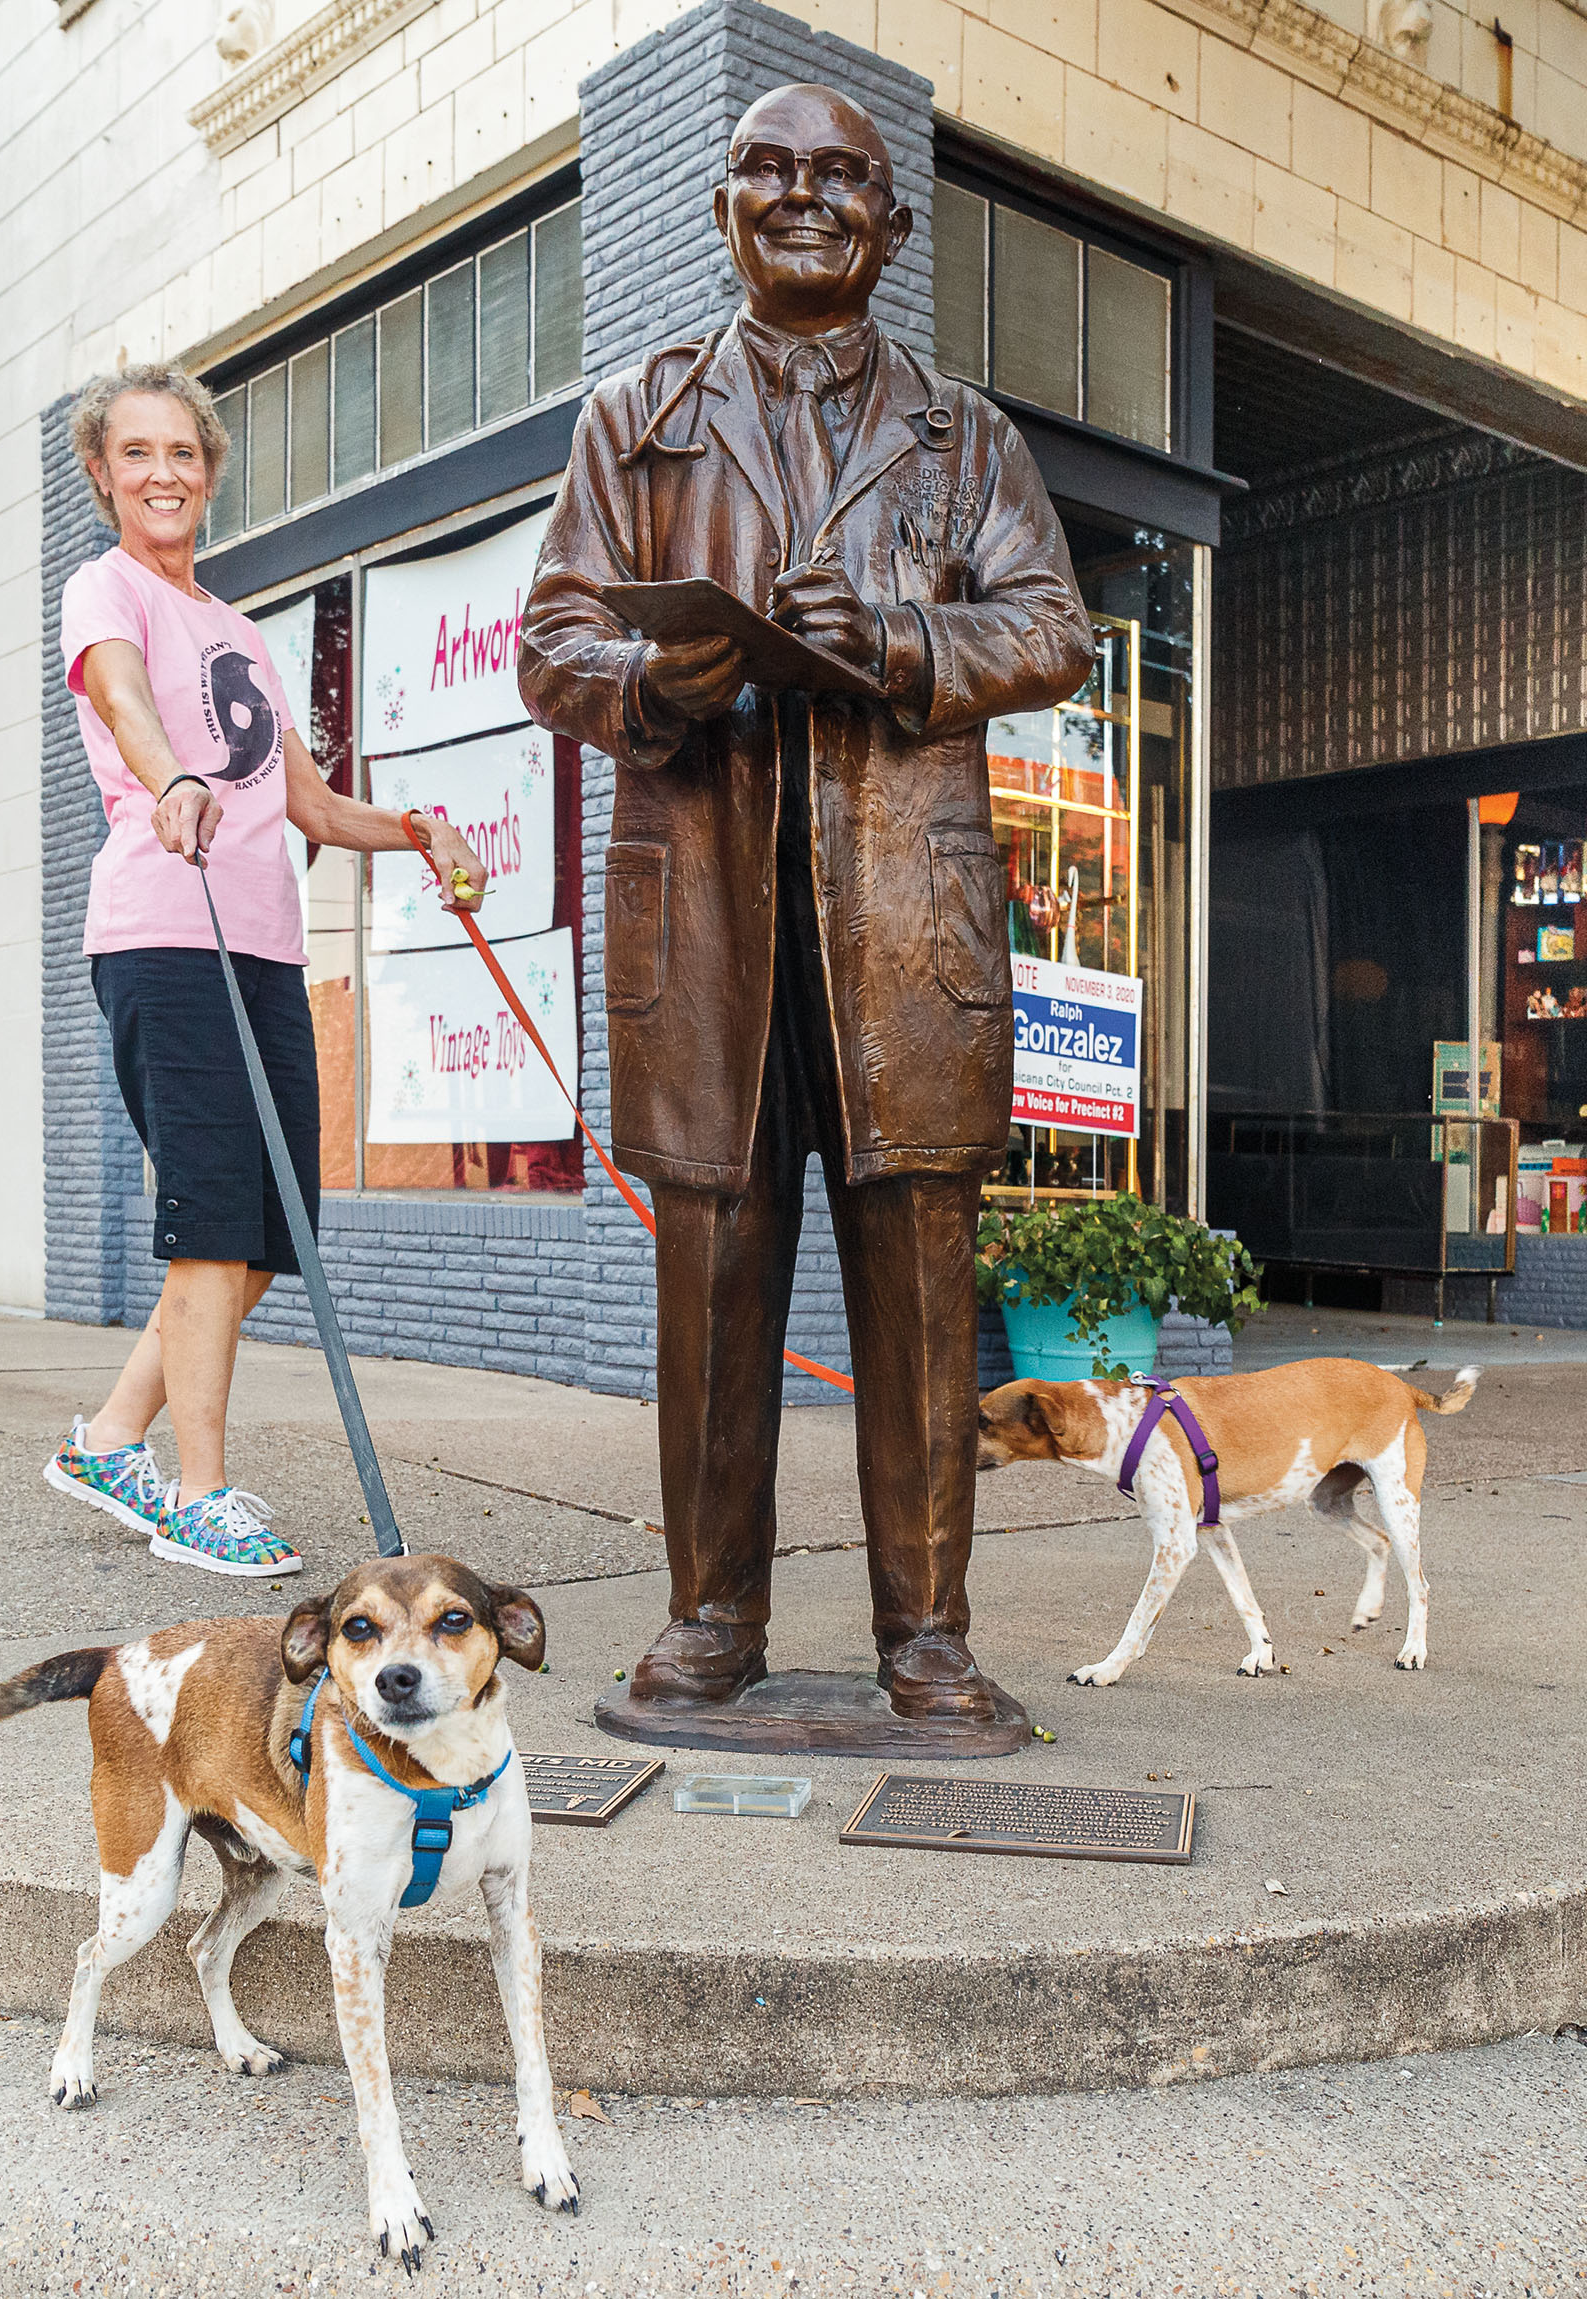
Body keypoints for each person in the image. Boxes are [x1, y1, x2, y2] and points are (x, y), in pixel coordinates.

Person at [518, 85, 1094, 1721]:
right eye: (767, 170)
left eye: (840, 176)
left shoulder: (964, 433)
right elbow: (549, 639)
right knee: (710, 1285)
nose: (801, 196)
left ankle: (928, 1632)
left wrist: (904, 637)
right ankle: (712, 1616)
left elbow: (1052, 629)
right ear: (720, 205)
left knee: (918, 1284)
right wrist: (656, 674)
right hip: (706, 922)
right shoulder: (634, 416)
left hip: (902, 926)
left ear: (890, 229)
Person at [47, 363, 485, 1577]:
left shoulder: (239, 633)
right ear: (103, 473)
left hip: (264, 947)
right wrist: (166, 777)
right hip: (162, 932)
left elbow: (306, 804)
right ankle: (196, 1488)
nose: (163, 474)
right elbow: (124, 699)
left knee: (268, 1230)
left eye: (182, 453)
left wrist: (418, 830)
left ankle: (106, 1441)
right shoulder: (105, 589)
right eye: (136, 454)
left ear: (209, 470)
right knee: (209, 1219)